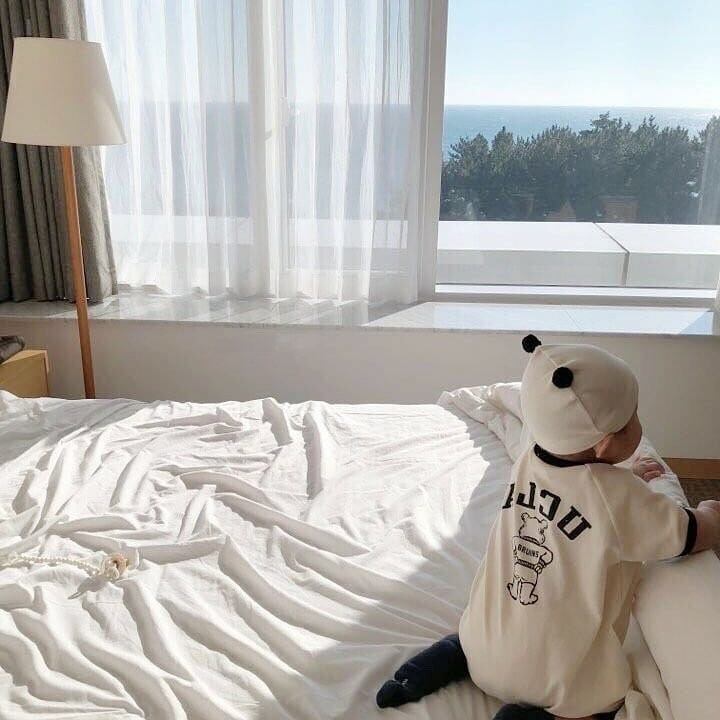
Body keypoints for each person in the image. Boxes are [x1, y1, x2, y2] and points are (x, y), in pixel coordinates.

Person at [377, 334, 720, 720]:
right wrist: (710, 514)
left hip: (483, 650)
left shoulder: (529, 460)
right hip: (555, 679)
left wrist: (628, 479)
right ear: (605, 445)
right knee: (603, 703)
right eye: (633, 417)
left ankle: (416, 675)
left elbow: (584, 497)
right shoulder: (619, 497)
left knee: (468, 642)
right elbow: (687, 534)